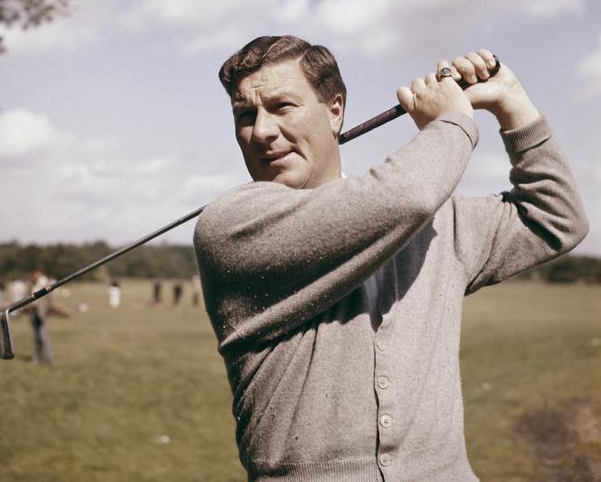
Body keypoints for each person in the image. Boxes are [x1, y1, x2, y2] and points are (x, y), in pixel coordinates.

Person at [193, 36, 589, 482]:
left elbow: (555, 217)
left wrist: (512, 103)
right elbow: (408, 196)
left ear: (335, 110)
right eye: (245, 115)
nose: (261, 131)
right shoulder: (230, 226)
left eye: (282, 106)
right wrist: (452, 120)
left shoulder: (438, 222)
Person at [29, 268, 53, 364]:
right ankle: (37, 357)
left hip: (40, 312)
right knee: (36, 336)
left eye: (36, 273)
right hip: (33, 311)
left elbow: (48, 300)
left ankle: (48, 358)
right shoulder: (34, 283)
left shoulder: (44, 283)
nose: (34, 275)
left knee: (43, 336)